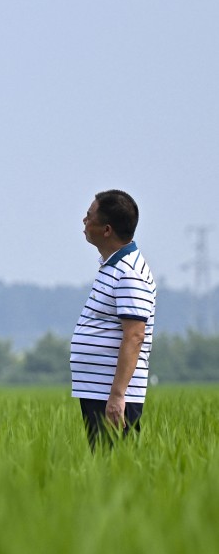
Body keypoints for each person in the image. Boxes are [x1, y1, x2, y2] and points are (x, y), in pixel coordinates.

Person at [71, 190, 156, 450]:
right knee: (104, 468)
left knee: (116, 468)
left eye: (88, 218)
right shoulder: (112, 267)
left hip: (112, 393)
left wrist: (118, 395)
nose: (84, 223)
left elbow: (134, 335)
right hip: (98, 390)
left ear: (106, 230)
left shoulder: (130, 273)